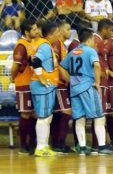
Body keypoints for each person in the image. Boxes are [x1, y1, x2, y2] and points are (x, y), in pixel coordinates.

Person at [60, 28, 113, 155]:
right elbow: (96, 65)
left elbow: (62, 67)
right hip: (87, 88)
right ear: (90, 38)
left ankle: (82, 148)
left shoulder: (73, 52)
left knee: (79, 119)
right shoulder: (90, 51)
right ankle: (101, 146)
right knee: (99, 117)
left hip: (74, 89)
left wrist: (70, 80)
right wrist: (97, 82)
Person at [30, 22, 60, 157]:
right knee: (44, 117)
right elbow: (35, 61)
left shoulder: (42, 44)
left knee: (47, 117)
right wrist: (41, 78)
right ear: (51, 34)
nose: (59, 35)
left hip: (45, 86)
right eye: (57, 32)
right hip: (43, 86)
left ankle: (45, 146)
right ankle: (40, 147)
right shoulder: (45, 45)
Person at [10, 20, 40, 155]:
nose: (36, 31)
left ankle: (33, 144)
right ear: (27, 32)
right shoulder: (21, 46)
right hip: (23, 84)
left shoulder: (32, 43)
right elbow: (15, 66)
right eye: (33, 30)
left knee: (34, 113)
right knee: (25, 113)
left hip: (33, 83)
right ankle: (23, 145)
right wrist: (12, 78)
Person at [50, 21, 72, 153]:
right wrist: (67, 78)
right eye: (68, 29)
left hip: (60, 84)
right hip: (59, 84)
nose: (70, 31)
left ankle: (57, 142)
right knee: (66, 111)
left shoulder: (63, 45)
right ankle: (60, 143)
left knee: (58, 114)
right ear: (60, 30)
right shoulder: (57, 43)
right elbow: (56, 64)